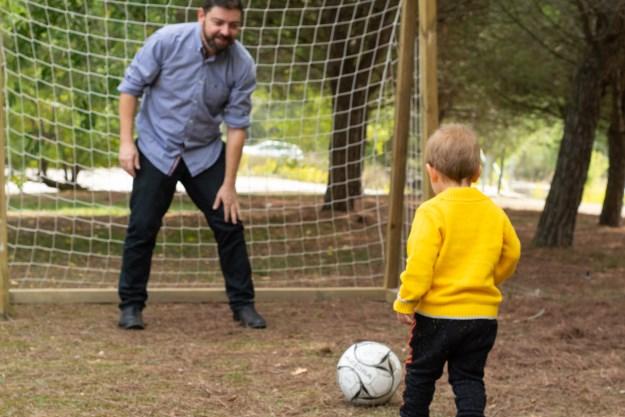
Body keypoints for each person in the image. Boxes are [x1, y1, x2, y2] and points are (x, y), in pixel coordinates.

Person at [116, 0, 266, 330]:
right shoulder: (166, 40)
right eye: (218, 23)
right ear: (201, 16)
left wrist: (229, 184)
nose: (225, 31)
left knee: (229, 223)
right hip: (157, 148)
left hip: (204, 152)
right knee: (142, 226)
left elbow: (237, 126)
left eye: (233, 25)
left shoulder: (242, 64)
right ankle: (130, 305)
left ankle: (243, 306)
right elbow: (130, 89)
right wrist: (127, 142)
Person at [393, 124, 521, 417]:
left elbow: (420, 264)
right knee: (468, 378)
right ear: (477, 172)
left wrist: (407, 300)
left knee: (422, 374)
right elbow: (512, 252)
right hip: (481, 318)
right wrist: (486, 279)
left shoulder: (431, 211)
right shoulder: (493, 211)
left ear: (431, 172)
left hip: (437, 316)